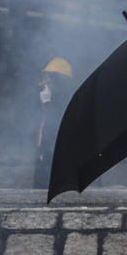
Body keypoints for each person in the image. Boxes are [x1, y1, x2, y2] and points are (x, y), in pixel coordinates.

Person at [34, 57, 75, 189]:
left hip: (53, 157)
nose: (44, 81)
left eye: (48, 77)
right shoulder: (45, 99)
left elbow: (53, 129)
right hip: (44, 156)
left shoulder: (61, 102)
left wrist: (47, 104)